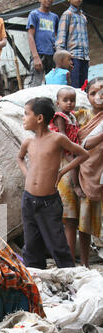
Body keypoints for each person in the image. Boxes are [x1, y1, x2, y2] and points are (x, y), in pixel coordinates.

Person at [17, 97, 90, 269]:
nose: (23, 118)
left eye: (26, 114)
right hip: (28, 201)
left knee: (57, 244)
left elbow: (83, 155)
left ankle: (69, 280)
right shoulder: (29, 142)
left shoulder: (57, 139)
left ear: (40, 118)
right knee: (32, 245)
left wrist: (62, 171)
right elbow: (19, 158)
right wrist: (27, 174)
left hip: (48, 203)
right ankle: (38, 279)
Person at [49, 87, 85, 261]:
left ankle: (68, 257)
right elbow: (62, 136)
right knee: (69, 219)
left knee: (72, 220)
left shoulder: (72, 116)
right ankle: (68, 259)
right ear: (58, 103)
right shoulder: (60, 116)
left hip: (73, 153)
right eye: (66, 100)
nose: (69, 103)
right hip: (67, 154)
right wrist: (72, 149)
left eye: (72, 100)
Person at [72, 77, 103, 267]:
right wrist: (75, 183)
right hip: (86, 173)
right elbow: (75, 147)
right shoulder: (80, 117)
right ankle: (84, 264)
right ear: (87, 97)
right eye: (93, 93)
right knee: (84, 222)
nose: (99, 96)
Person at [55, 0, 89, 89]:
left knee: (83, 88)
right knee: (74, 87)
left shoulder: (83, 17)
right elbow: (61, 38)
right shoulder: (67, 14)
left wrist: (87, 56)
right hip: (73, 59)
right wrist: (61, 59)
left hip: (84, 58)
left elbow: (85, 39)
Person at [27, 0, 59, 87]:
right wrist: (36, 57)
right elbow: (30, 35)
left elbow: (56, 36)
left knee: (52, 85)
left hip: (52, 56)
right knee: (35, 85)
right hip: (39, 54)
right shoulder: (34, 14)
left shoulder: (54, 17)